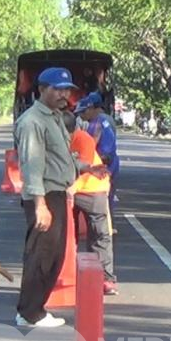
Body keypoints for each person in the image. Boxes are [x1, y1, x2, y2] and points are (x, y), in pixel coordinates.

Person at [14, 67, 107, 327]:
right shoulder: (33, 121)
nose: (63, 94)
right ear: (41, 89)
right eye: (57, 89)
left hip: (55, 193)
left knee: (54, 255)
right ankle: (30, 313)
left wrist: (87, 167)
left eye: (66, 89)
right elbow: (32, 165)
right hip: (43, 195)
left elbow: (60, 156)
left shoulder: (55, 117)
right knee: (41, 255)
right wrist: (40, 204)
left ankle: (35, 308)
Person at [63, 109, 118, 295]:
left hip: (93, 190)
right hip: (72, 191)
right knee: (68, 235)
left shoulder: (82, 139)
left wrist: (72, 189)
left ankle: (106, 278)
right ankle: (69, 275)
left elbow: (86, 168)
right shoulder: (59, 142)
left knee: (99, 235)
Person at [78, 92, 120, 219]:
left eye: (83, 112)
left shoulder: (101, 122)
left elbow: (106, 149)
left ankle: (107, 227)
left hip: (104, 166)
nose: (80, 115)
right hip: (102, 165)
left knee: (104, 199)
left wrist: (98, 165)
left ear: (91, 108)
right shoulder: (98, 121)